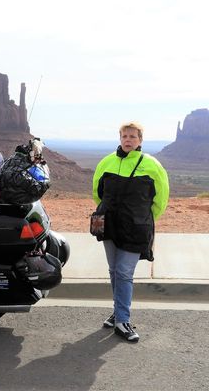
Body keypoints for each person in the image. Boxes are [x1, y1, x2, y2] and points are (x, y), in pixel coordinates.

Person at [92, 121, 169, 343]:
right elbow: (98, 192)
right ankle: (118, 312)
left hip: (135, 227)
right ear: (120, 138)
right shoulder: (106, 162)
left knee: (124, 272)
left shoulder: (152, 165)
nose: (128, 140)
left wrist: (143, 218)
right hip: (110, 224)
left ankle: (122, 320)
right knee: (114, 270)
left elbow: (160, 200)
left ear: (140, 141)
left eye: (133, 137)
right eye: (125, 136)